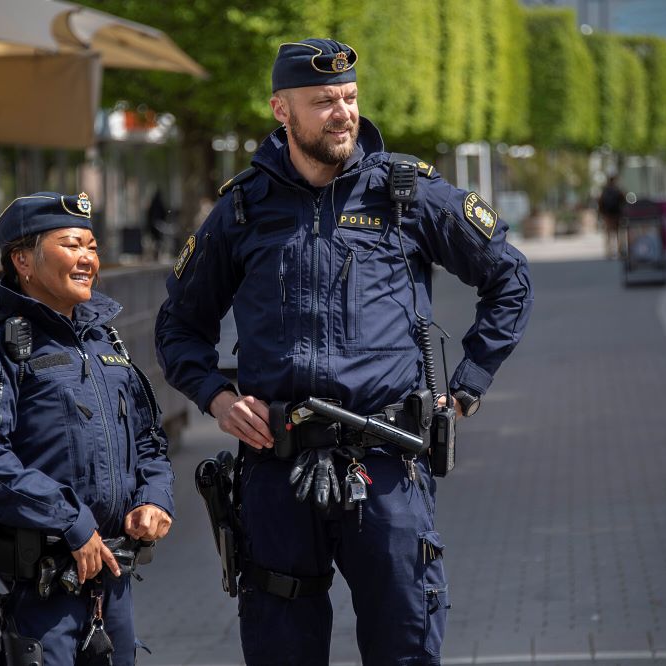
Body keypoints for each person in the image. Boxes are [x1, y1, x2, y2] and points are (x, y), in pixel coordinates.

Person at [154, 39, 533, 665]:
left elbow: (509, 277)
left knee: (405, 646)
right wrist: (217, 399)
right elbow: (177, 328)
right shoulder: (242, 209)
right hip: (275, 469)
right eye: (324, 100)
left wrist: (466, 386)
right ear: (282, 109)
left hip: (386, 466)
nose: (343, 112)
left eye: (350, 97)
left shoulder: (406, 194)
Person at [0, 192, 174, 665]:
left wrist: (155, 498)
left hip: (111, 585)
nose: (88, 258)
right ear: (23, 260)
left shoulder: (106, 343)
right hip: (36, 596)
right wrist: (69, 520)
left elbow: (149, 441)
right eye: (72, 245)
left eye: (92, 245)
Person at [597, 174, 625, 259]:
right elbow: (623, 200)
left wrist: (601, 213)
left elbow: (600, 202)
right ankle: (619, 251)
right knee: (618, 233)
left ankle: (608, 252)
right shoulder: (617, 190)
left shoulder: (604, 191)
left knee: (608, 233)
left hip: (607, 214)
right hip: (617, 214)